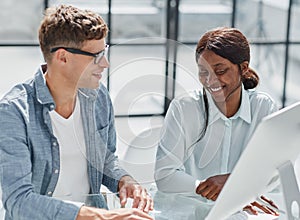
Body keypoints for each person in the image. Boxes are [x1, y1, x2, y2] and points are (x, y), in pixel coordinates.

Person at [0, 4, 153, 220]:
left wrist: (123, 180)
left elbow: (106, 159)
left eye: (105, 51)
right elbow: (19, 201)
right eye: (97, 56)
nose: (106, 64)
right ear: (62, 57)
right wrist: (102, 216)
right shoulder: (14, 112)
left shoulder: (98, 98)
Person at [154, 27, 279, 215]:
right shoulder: (184, 108)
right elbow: (165, 176)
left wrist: (232, 182)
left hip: (243, 215)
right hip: (188, 213)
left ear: (243, 68)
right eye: (203, 71)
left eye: (220, 71)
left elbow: (275, 170)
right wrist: (212, 188)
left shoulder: (263, 108)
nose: (210, 80)